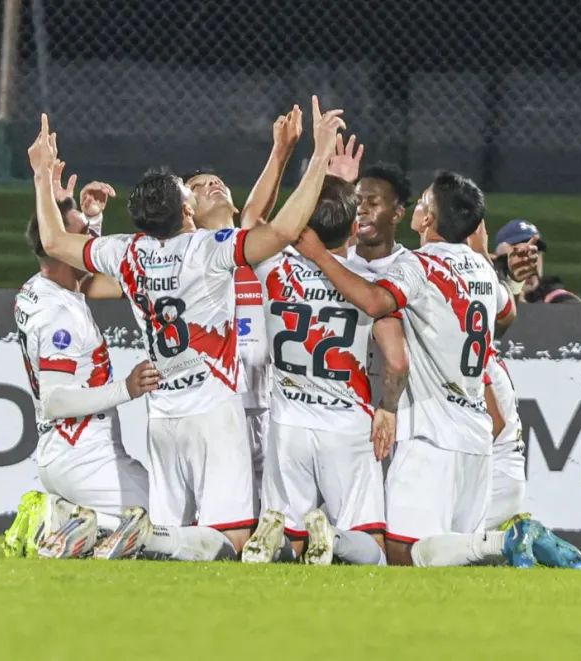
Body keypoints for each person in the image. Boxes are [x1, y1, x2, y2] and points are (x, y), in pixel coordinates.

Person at [26, 98, 345, 560]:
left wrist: (40, 176)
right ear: (185, 210)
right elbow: (276, 230)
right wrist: (317, 159)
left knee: (182, 542)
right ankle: (149, 535)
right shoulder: (210, 250)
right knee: (233, 540)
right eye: (190, 189)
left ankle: (144, 536)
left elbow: (55, 243)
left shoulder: (128, 251)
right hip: (217, 409)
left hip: (167, 414)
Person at [293, 170, 539, 567]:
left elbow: (375, 302)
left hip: (430, 433)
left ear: (426, 220)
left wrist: (320, 256)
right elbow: (506, 313)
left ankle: (502, 544)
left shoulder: (420, 266)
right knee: (450, 558)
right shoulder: (481, 270)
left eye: (425, 201)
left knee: (403, 554)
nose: (420, 206)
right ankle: (495, 545)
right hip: (475, 438)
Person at [240, 175, 408, 566]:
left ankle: (274, 541)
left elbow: (250, 219)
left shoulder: (272, 267)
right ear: (354, 228)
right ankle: (332, 537)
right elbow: (398, 361)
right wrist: (387, 407)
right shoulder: (372, 283)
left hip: (287, 426)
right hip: (347, 429)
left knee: (290, 537)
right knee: (371, 547)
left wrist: (283, 154)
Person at [3, 171, 160, 560]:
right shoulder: (61, 318)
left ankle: (73, 519)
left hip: (66, 451)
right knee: (168, 522)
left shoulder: (41, 287)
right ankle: (52, 521)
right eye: (79, 238)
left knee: (157, 515)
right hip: (84, 455)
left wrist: (83, 216)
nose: (89, 243)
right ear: (59, 249)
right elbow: (55, 400)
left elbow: (80, 268)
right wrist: (127, 388)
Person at [181, 105, 304, 504]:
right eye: (198, 187)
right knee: (221, 511)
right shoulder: (186, 256)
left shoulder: (250, 250)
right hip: (217, 406)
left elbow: (253, 217)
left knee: (273, 514)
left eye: (217, 181)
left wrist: (281, 152)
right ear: (186, 212)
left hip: (269, 404)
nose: (212, 185)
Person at [482, 350, 581, 568]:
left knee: (423, 550)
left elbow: (494, 425)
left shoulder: (471, 359)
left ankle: (515, 536)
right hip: (504, 475)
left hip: (491, 479)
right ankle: (532, 538)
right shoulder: (485, 355)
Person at [493, 219, 581, 304]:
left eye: (535, 253)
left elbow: (575, 311)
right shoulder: (488, 294)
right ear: (500, 261)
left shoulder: (552, 294)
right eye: (521, 253)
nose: (530, 261)